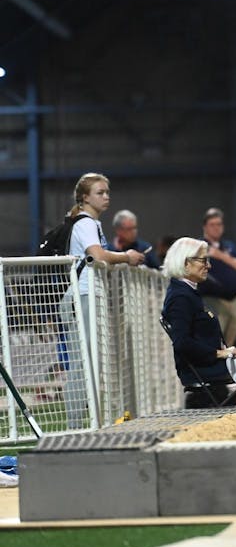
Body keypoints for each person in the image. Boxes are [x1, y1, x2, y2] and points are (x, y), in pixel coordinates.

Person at [61, 173, 145, 428]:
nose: (106, 196)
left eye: (107, 192)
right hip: (83, 295)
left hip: (88, 295)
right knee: (81, 363)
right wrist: (126, 256)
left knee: (89, 362)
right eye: (100, 192)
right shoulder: (85, 224)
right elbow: (97, 255)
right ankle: (75, 427)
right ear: (85, 197)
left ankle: (85, 423)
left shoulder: (91, 224)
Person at [161, 237, 236, 409]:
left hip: (212, 381)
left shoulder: (188, 293)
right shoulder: (180, 297)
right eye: (203, 260)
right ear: (186, 263)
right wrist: (220, 353)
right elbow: (182, 343)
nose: (209, 266)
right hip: (206, 386)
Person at [199, 208, 236, 347]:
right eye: (212, 224)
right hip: (211, 300)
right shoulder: (199, 246)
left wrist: (222, 256)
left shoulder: (229, 246)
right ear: (205, 227)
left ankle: (230, 367)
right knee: (216, 336)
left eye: (219, 224)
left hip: (233, 300)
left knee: (233, 339)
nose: (216, 228)